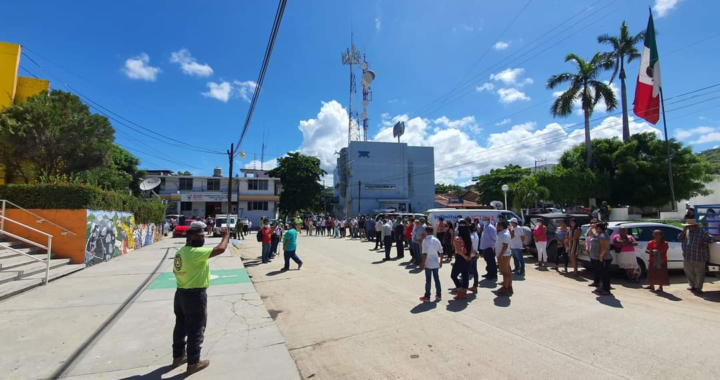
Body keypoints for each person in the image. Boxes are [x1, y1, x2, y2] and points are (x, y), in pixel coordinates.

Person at [171, 226, 229, 374]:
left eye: (202, 236)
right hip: (195, 295)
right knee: (196, 329)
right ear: (190, 239)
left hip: (180, 292)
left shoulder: (180, 252)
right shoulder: (195, 253)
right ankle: (193, 363)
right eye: (199, 237)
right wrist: (226, 236)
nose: (202, 239)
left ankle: (178, 357)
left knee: (180, 325)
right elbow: (221, 249)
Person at [678, 219, 716, 294]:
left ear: (695, 226)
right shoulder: (686, 232)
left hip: (699, 257)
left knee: (699, 273)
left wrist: (705, 243)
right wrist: (684, 230)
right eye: (687, 226)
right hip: (687, 256)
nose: (688, 227)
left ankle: (698, 288)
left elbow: (713, 239)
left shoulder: (701, 232)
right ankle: (692, 285)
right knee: (689, 272)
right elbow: (679, 238)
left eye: (689, 226)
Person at [420, 226, 443, 302]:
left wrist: (423, 263)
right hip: (436, 262)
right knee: (437, 279)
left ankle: (427, 296)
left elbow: (425, 253)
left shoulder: (425, 240)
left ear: (426, 232)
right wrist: (441, 262)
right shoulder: (436, 240)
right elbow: (441, 252)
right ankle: (439, 295)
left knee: (428, 280)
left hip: (428, 263)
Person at [450, 220, 473, 300]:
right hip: (468, 258)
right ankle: (464, 292)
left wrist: (464, 256)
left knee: (453, 275)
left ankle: (460, 290)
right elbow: (471, 248)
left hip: (460, 258)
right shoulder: (468, 238)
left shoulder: (457, 238)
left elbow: (458, 250)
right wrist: (470, 256)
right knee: (465, 275)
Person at [589, 223, 613, 296]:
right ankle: (601, 287)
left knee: (605, 274)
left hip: (604, 258)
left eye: (597, 228)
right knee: (601, 274)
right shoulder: (598, 234)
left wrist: (601, 256)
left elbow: (604, 247)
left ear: (600, 228)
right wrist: (591, 228)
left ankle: (606, 290)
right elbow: (590, 234)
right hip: (597, 258)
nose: (596, 229)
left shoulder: (603, 235)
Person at [496, 221, 513, 296]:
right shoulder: (504, 233)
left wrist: (500, 255)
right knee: (507, 272)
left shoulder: (504, 234)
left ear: (501, 226)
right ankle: (509, 287)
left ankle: (505, 288)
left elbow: (505, 246)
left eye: (498, 226)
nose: (497, 227)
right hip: (505, 255)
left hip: (504, 255)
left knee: (505, 273)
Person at [468, 221, 480, 293]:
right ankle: (475, 286)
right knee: (475, 271)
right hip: (475, 255)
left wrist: (475, 252)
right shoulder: (476, 235)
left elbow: (470, 247)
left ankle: (463, 288)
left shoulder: (470, 236)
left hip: (471, 255)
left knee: (466, 272)